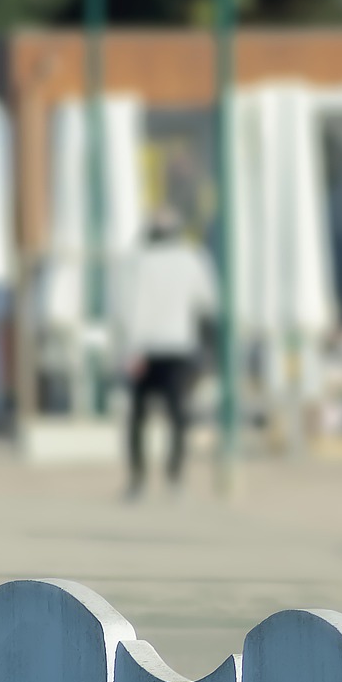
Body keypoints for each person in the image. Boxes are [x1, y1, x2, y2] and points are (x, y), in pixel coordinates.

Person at [117, 210, 218, 499]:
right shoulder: (192, 258)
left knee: (138, 417)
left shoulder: (135, 260)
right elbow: (208, 301)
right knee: (177, 417)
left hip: (142, 348)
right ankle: (174, 478)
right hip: (178, 345)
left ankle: (137, 480)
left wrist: (125, 349)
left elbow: (122, 308)